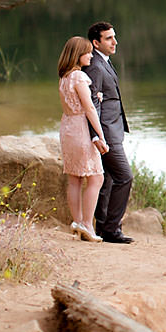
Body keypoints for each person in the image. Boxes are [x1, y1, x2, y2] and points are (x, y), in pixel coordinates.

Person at [84, 21, 134, 244]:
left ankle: (103, 227)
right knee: (125, 176)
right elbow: (92, 103)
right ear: (96, 43)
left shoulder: (103, 61)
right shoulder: (95, 65)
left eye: (114, 36)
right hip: (106, 132)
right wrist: (96, 135)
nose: (115, 42)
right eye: (109, 38)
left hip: (112, 129)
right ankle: (112, 229)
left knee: (109, 180)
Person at [57, 37, 108, 243]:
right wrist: (100, 135)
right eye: (87, 52)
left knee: (75, 178)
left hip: (67, 127)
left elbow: (80, 101)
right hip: (80, 130)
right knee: (96, 177)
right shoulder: (79, 77)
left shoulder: (64, 77)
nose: (90, 55)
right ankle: (87, 224)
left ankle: (78, 222)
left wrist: (96, 96)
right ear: (77, 54)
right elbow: (88, 109)